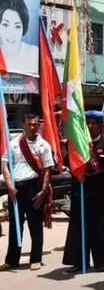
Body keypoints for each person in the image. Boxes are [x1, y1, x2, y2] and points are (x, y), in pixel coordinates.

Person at [63, 111, 104, 273]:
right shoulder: (77, 145)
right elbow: (70, 164)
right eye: (87, 123)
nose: (90, 126)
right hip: (79, 192)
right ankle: (79, 261)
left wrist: (87, 176)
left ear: (100, 125)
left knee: (102, 228)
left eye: (94, 123)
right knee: (78, 227)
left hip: (99, 193)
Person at [0, 114, 53, 271]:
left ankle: (36, 259)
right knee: (15, 225)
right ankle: (12, 260)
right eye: (30, 124)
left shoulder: (43, 145)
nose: (33, 127)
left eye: (36, 124)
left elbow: (48, 169)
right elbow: (5, 166)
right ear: (23, 124)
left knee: (35, 224)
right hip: (16, 188)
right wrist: (9, 186)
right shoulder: (14, 143)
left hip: (34, 187)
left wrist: (43, 190)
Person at [0, 0, 38, 75]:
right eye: (5, 25)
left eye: (17, 26)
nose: (11, 34)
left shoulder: (33, 54)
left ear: (23, 27)